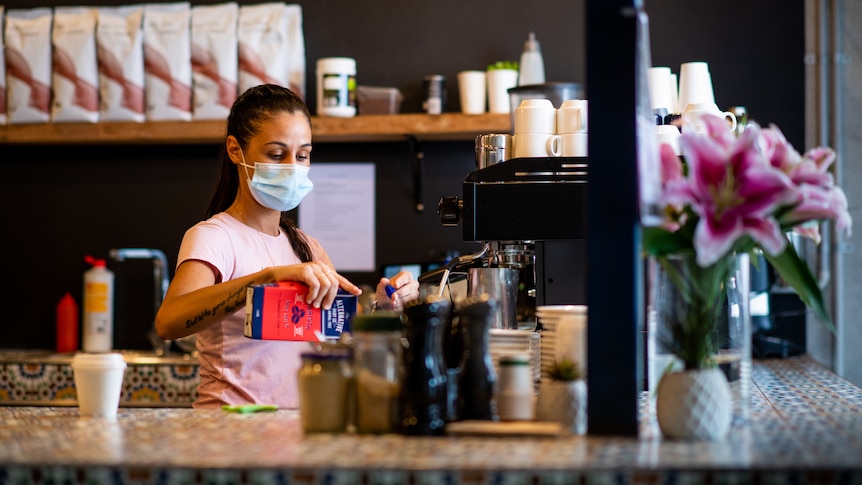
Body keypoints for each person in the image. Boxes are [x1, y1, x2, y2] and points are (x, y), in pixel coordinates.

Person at [154, 84, 419, 409]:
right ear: (236, 151)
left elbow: (339, 339)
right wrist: (267, 278)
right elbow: (168, 322)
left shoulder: (308, 247)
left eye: (303, 155)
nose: (293, 166)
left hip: (300, 428)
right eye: (277, 154)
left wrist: (384, 309)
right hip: (231, 430)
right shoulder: (214, 236)